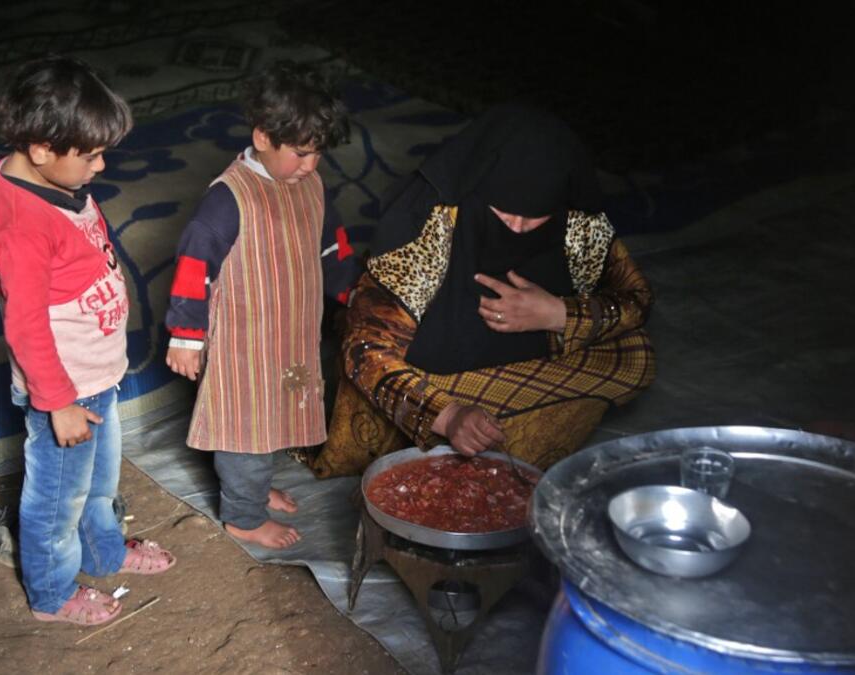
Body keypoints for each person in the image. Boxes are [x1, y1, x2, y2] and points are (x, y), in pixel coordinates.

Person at [313, 104, 656, 476]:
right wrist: (447, 415)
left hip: (524, 372)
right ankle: (463, 451)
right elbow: (367, 349)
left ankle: (486, 451)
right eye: (504, 213)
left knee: (634, 355)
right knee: (373, 366)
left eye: (536, 217)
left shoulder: (577, 222)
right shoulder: (430, 220)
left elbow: (636, 299)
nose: (520, 228)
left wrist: (557, 314)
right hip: (430, 377)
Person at [0, 55, 175, 627]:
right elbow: (25, 325)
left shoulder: (46, 177)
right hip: (65, 392)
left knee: (99, 483)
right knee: (56, 503)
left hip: (95, 375)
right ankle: (51, 593)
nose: (101, 163)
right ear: (40, 148)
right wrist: (58, 402)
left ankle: (105, 552)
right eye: (89, 154)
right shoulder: (22, 223)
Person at [164, 61, 355, 549]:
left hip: (289, 334)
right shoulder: (229, 199)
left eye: (318, 154)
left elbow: (331, 244)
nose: (311, 166)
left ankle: (251, 486)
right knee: (244, 429)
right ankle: (243, 515)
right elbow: (193, 266)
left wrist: (351, 291)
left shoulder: (308, 184)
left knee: (275, 422)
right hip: (243, 346)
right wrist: (186, 336)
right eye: (301, 153)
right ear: (263, 136)